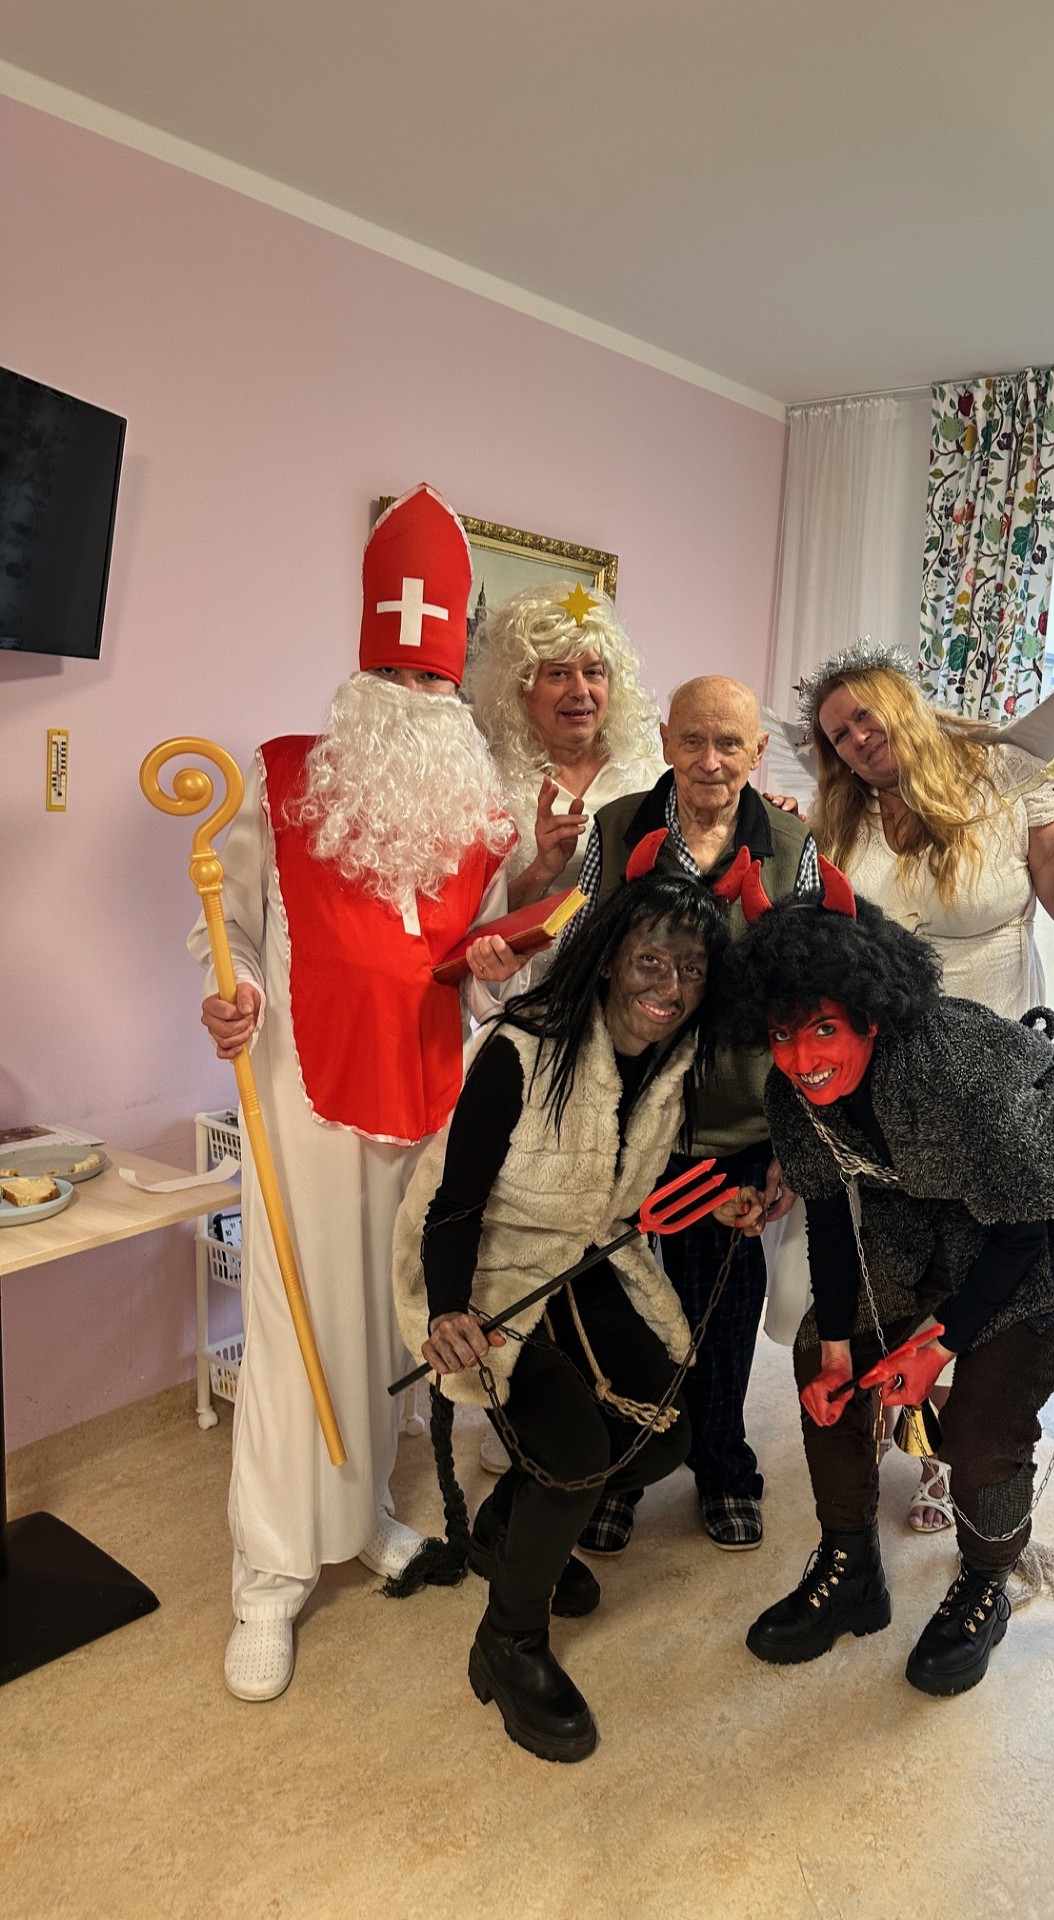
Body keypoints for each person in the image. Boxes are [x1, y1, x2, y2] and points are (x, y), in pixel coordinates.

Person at [191, 484, 522, 1703]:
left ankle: (367, 1513)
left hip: (426, 1101)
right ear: (361, 671)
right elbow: (229, 935)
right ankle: (270, 1576)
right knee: (296, 1336)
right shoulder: (279, 778)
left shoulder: (483, 817)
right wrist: (233, 999)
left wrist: (498, 971)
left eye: (434, 682)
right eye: (397, 677)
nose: (417, 699)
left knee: (391, 1329)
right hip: (303, 1104)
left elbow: (485, 976)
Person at [718, 867, 1054, 1696]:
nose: (803, 1060)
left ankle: (986, 1580)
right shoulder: (792, 1093)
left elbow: (1020, 1230)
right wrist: (837, 1349)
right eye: (782, 1034)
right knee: (820, 1357)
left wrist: (935, 1345)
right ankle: (851, 1568)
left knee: (982, 1423)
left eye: (825, 1029)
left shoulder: (951, 1066)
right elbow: (832, 1215)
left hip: (1048, 1214)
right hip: (922, 1204)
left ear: (871, 1013)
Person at [389, 871, 765, 1762]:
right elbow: (452, 1205)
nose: (671, 988)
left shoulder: (675, 1060)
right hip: (491, 1273)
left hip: (589, 1257)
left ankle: (505, 1530)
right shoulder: (520, 1049)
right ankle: (508, 1639)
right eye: (650, 962)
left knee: (664, 1439)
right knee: (574, 1455)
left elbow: (625, 1170)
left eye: (692, 970)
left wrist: (715, 1200)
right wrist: (447, 1312)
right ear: (606, 962)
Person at [796, 639, 1054, 1529]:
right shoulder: (841, 817)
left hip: (992, 1076)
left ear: (905, 704)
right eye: (838, 735)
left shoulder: (1006, 781)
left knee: (976, 1265)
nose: (857, 740)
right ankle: (885, 1406)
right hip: (879, 1079)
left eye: (865, 717)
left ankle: (948, 1451)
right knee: (892, 1259)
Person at [563, 676, 818, 1552]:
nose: (711, 761)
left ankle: (721, 1466)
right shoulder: (616, 828)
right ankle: (624, 1470)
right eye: (695, 740)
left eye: (731, 744)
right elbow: (578, 956)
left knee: (722, 1305)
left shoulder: (791, 845)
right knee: (622, 1299)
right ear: (667, 740)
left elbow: (806, 998)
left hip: (738, 1123)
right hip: (628, 1113)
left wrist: (792, 1136)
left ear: (758, 752)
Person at [476, 582, 665, 910]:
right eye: (559, 674)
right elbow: (479, 921)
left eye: (593, 672)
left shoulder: (649, 771)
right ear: (522, 688)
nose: (580, 690)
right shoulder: (490, 782)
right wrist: (542, 870)